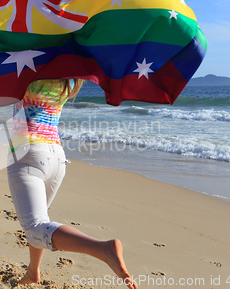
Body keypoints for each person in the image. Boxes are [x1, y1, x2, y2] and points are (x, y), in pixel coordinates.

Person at [7, 79, 137, 289]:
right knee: (42, 220)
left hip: (28, 152)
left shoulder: (29, 72)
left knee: (35, 227)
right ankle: (33, 271)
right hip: (56, 156)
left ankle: (103, 249)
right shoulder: (68, 78)